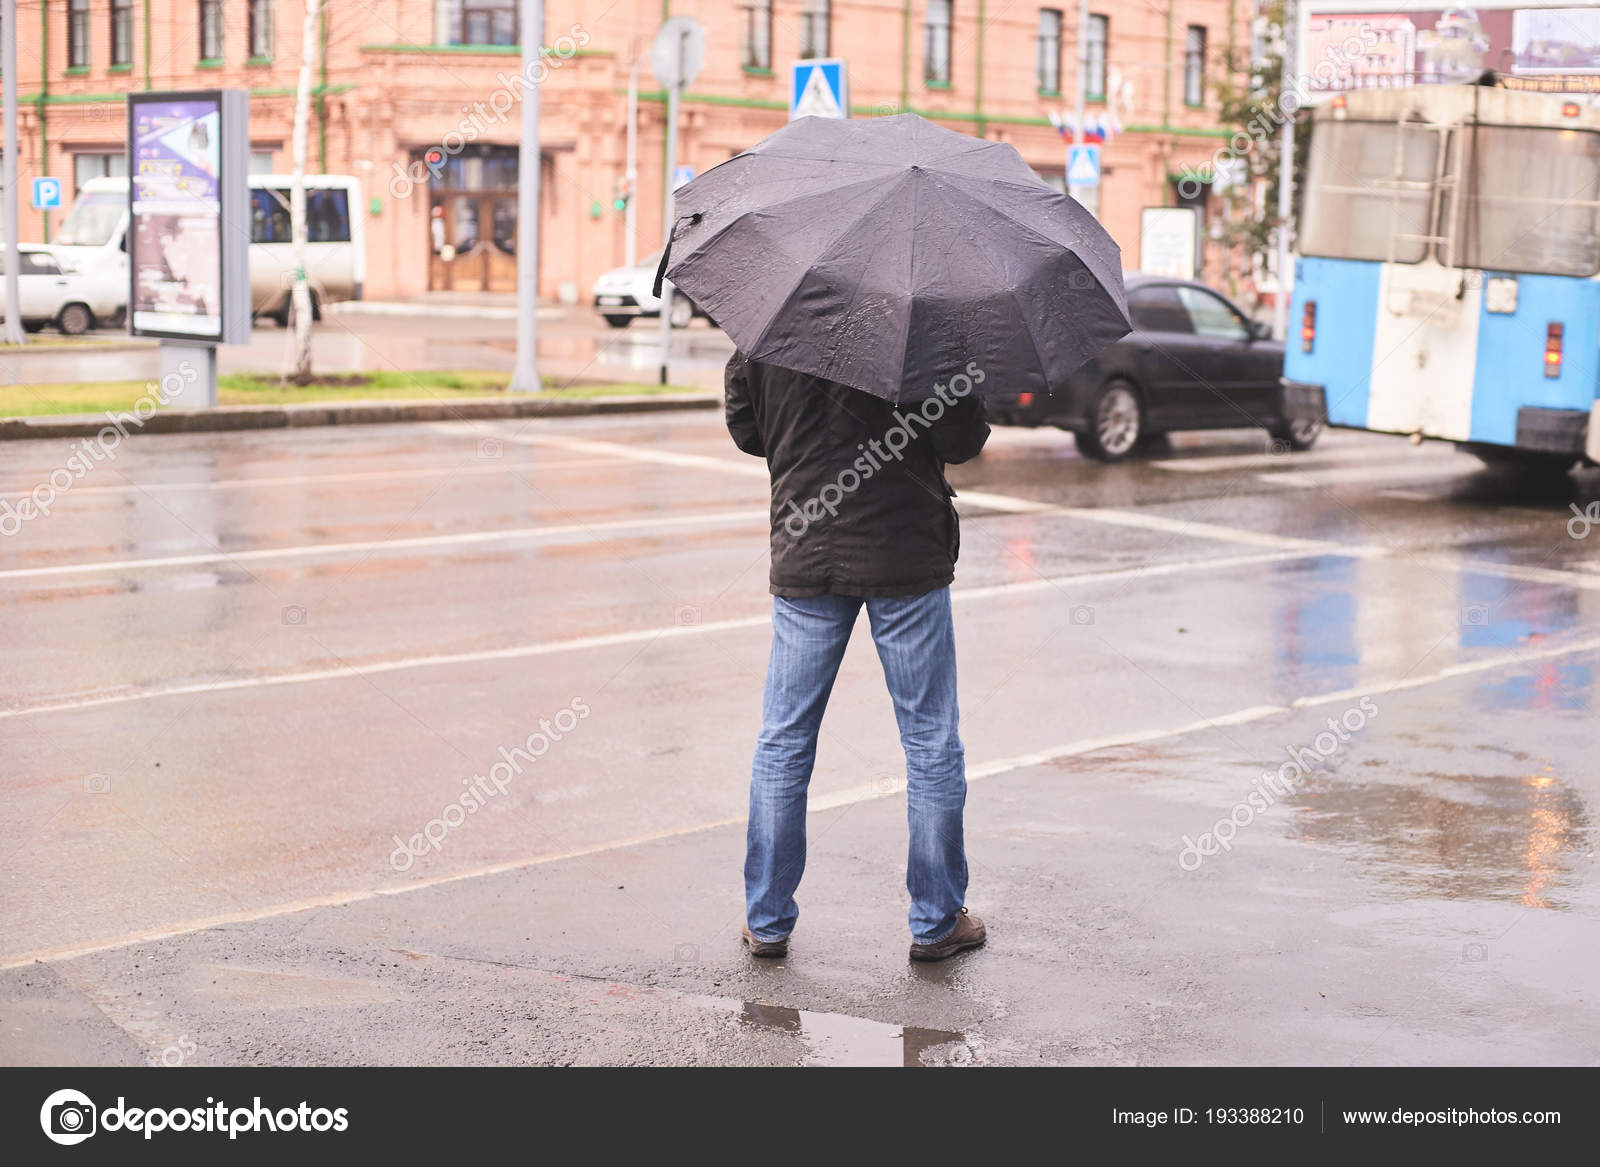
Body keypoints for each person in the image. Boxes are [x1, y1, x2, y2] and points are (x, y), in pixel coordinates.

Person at [725, 351, 991, 962]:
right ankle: (936, 921)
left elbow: (748, 430)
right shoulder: (929, 331)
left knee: (784, 740)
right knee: (929, 742)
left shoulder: (773, 326)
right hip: (905, 558)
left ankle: (766, 920)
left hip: (806, 550)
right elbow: (962, 439)